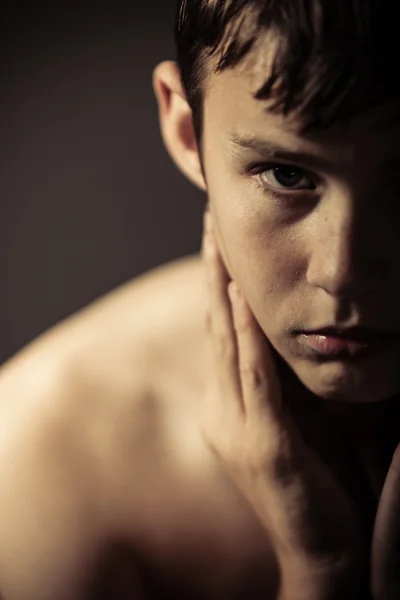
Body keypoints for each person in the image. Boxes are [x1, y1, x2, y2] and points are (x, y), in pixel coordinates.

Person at [0, 0, 399, 598]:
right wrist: (322, 573)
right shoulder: (49, 460)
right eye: (286, 175)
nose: (341, 272)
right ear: (189, 131)